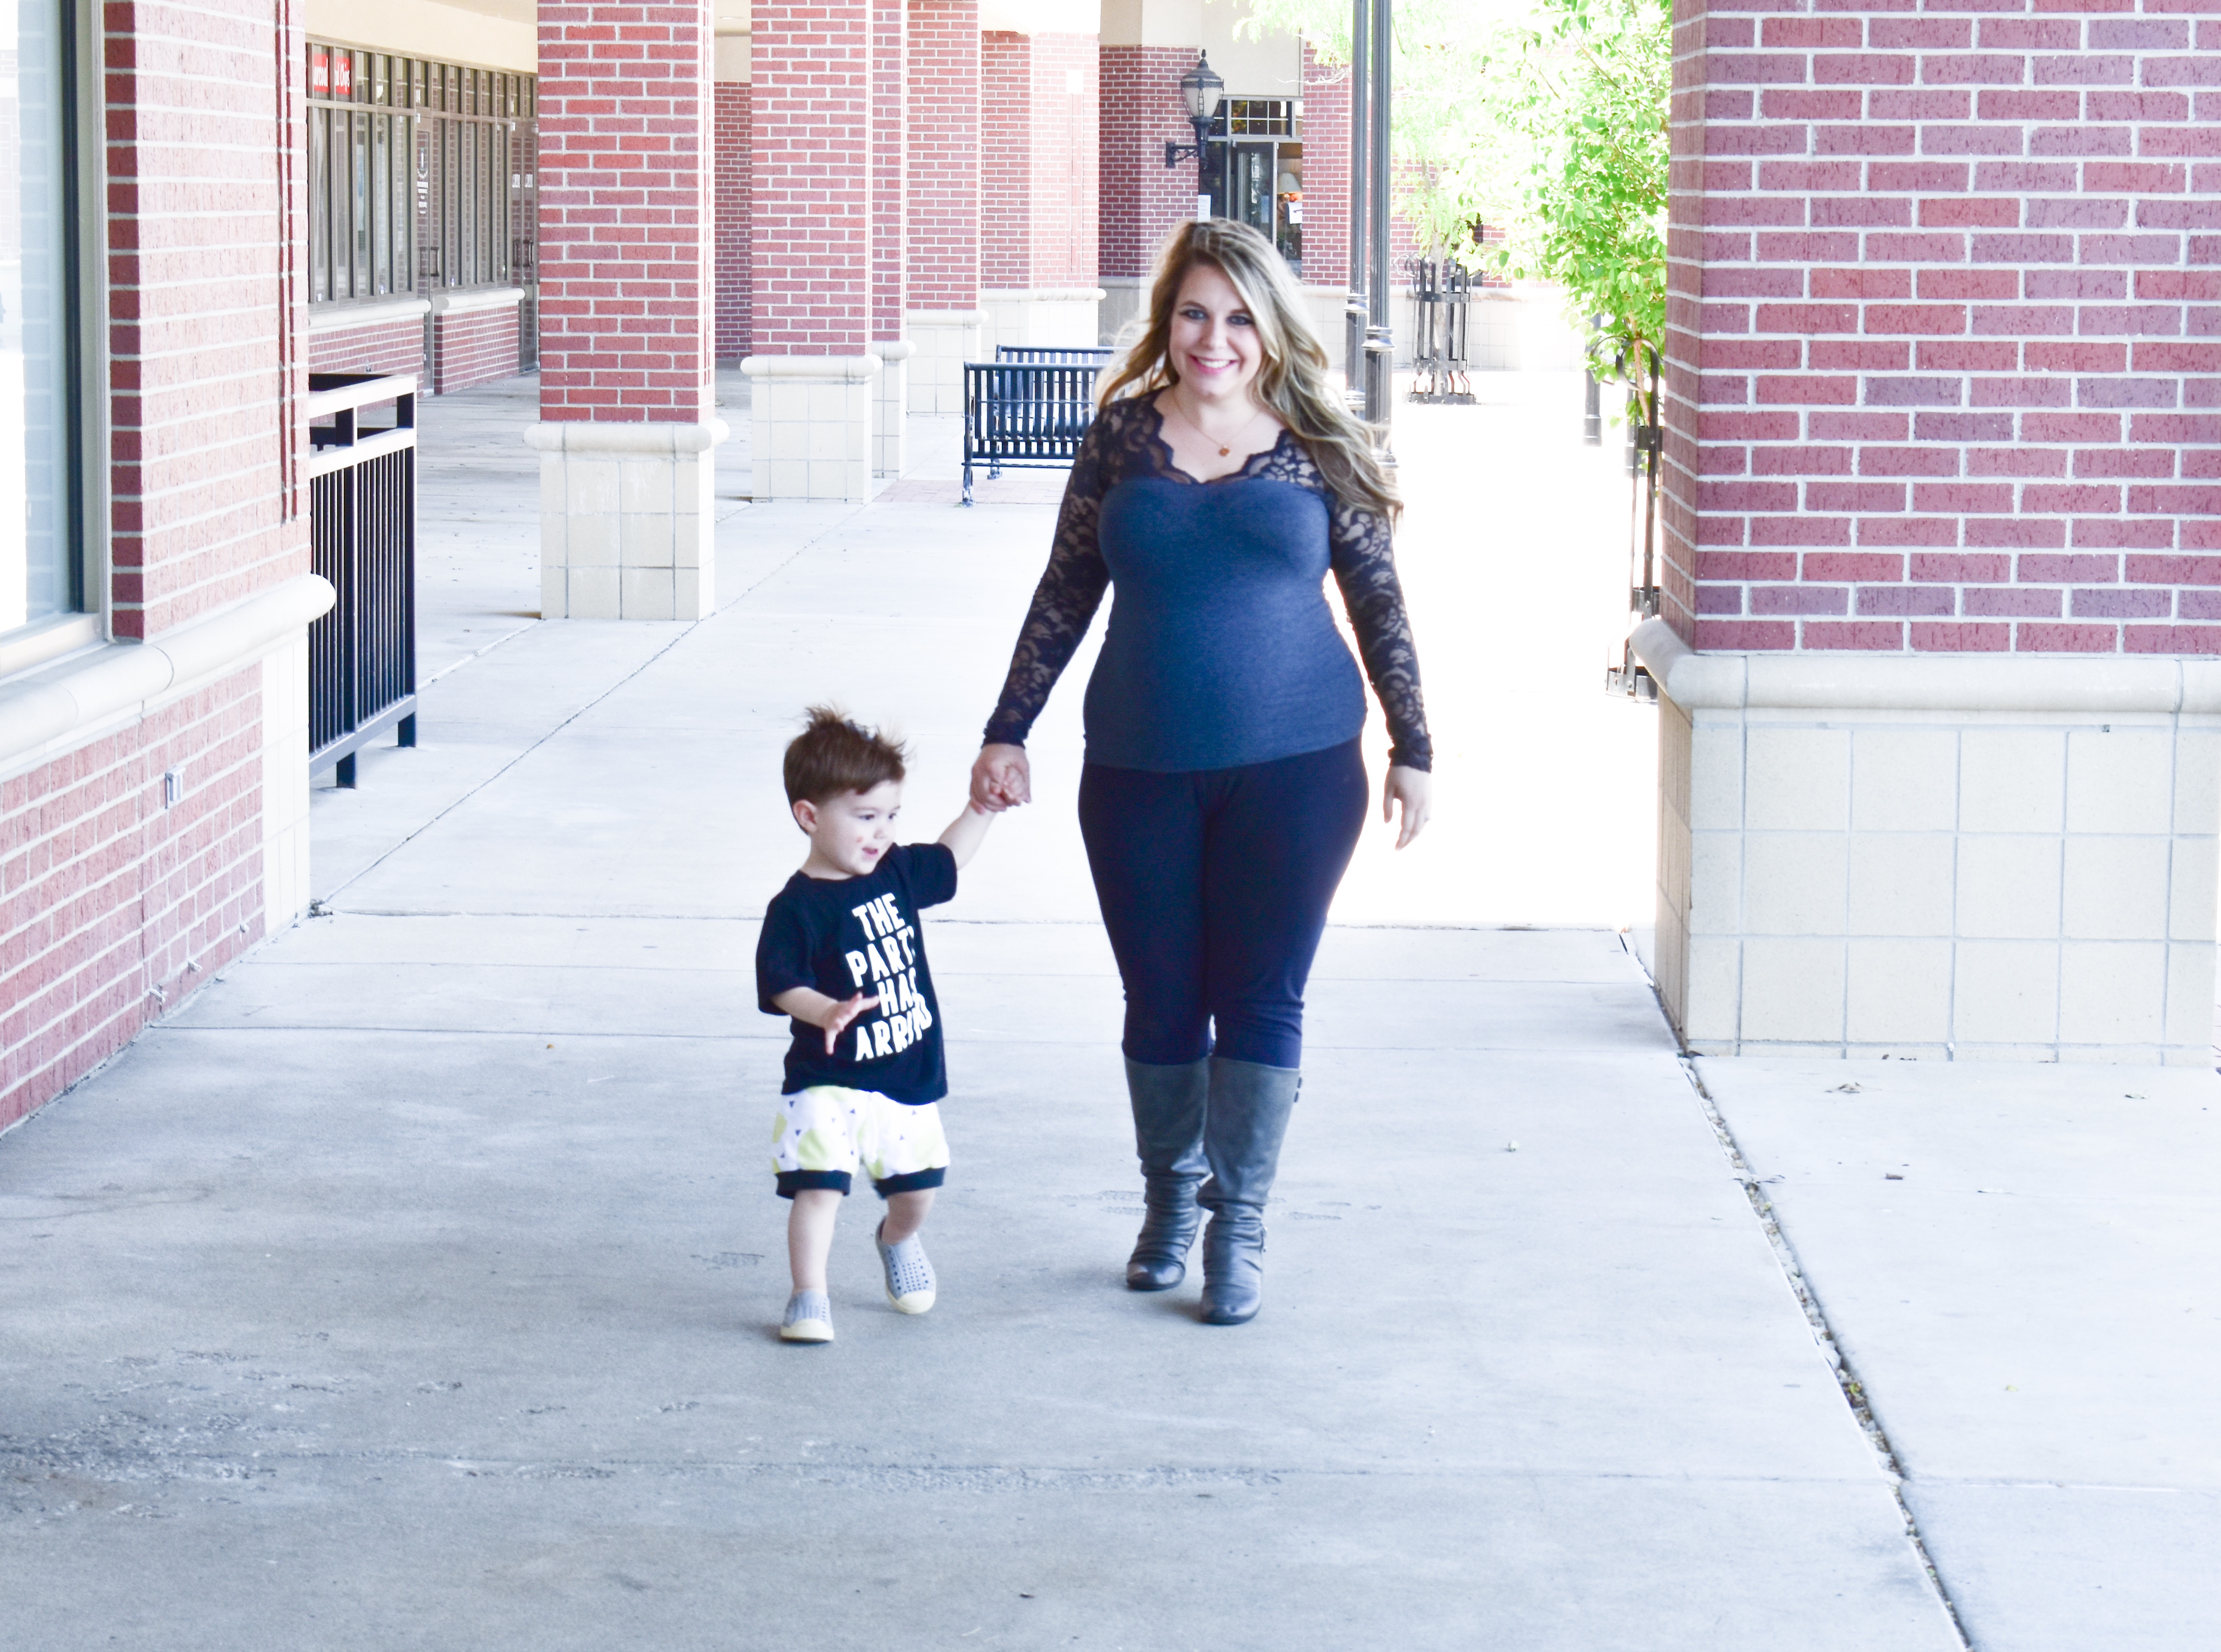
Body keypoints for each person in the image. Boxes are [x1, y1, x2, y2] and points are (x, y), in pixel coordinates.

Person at [970, 219, 1432, 1327]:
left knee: (1262, 998)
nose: (1212, 338)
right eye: (1193, 313)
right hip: (1138, 766)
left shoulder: (1320, 441)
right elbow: (1065, 589)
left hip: (1300, 771)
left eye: (1237, 317)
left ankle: (1243, 1221)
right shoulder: (1124, 437)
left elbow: (1378, 600)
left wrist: (1415, 745)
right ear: (1165, 319)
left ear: (1271, 329)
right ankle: (1171, 1202)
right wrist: (1007, 727)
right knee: (1162, 999)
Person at [756, 707, 995, 1344]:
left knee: (916, 1193)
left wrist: (983, 808)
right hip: (826, 1078)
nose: (882, 832)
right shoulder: (796, 907)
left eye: (891, 817)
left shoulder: (893, 871)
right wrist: (825, 1010)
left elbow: (949, 857)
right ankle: (809, 1295)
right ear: (810, 816)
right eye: (865, 818)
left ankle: (897, 1238)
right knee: (818, 1189)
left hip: (905, 1073)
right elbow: (782, 983)